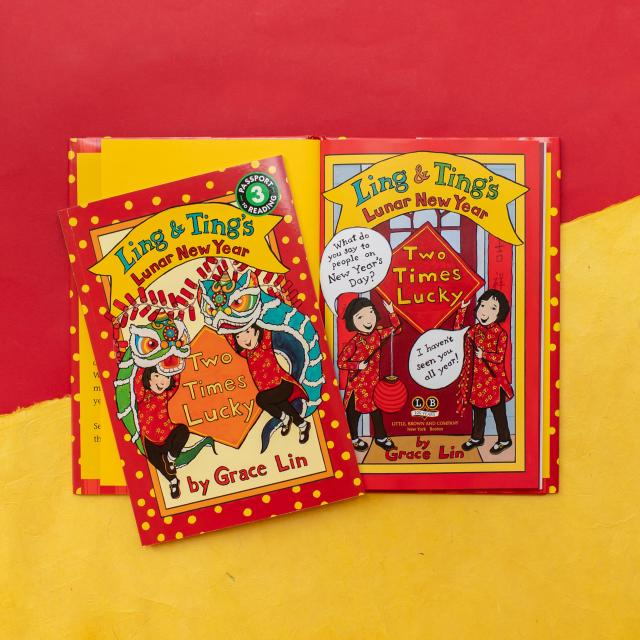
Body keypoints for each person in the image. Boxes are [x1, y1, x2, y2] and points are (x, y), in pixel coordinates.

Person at [455, 289, 514, 454]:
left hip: (495, 382)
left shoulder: (501, 334)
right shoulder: (474, 330)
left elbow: (499, 357)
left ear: (499, 314)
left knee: (499, 414)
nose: (485, 311)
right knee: (479, 413)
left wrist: (484, 355)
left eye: (492, 308)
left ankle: (504, 439)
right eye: (482, 306)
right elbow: (458, 331)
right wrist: (462, 309)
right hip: (477, 383)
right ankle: (477, 437)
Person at [228, 325, 311, 443]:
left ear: (257, 332)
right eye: (238, 336)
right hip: (271, 392)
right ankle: (302, 424)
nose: (244, 338)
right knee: (284, 405)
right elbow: (230, 337)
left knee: (260, 399)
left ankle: (284, 418)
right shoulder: (247, 353)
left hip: (282, 385)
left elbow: (265, 325)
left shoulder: (265, 344)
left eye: (247, 331)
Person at [337, 297, 401, 452]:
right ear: (352, 322)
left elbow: (397, 328)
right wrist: (357, 365)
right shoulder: (354, 342)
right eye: (360, 317)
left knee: (376, 412)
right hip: (356, 387)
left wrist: (391, 311)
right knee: (353, 414)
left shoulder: (378, 334)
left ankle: (381, 438)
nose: (368, 320)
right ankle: (353, 438)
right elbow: (340, 362)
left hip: (372, 385)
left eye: (370, 313)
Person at [133, 366, 190, 498]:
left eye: (167, 377)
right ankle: (173, 482)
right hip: (150, 440)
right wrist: (142, 362)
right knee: (155, 461)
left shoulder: (165, 394)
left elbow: (175, 376)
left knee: (183, 430)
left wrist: (174, 358)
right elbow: (139, 377)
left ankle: (171, 458)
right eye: (157, 376)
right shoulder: (142, 395)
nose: (163, 382)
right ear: (148, 378)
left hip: (167, 435)